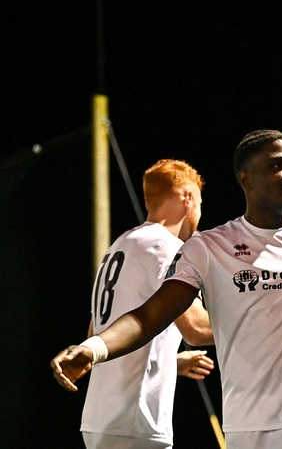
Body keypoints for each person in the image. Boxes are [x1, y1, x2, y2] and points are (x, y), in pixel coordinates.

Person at [52, 130, 282, 449]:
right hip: (188, 421)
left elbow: (98, 325)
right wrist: (93, 349)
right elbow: (158, 320)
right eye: (279, 165)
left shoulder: (121, 244)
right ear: (246, 180)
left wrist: (97, 347)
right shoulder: (197, 246)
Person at [64, 158, 215, 449]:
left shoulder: (119, 246)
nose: (199, 212)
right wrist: (260, 317)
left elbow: (98, 334)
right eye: (199, 201)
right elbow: (196, 329)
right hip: (135, 421)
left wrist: (170, 361)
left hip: (100, 419)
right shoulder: (166, 248)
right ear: (188, 197)